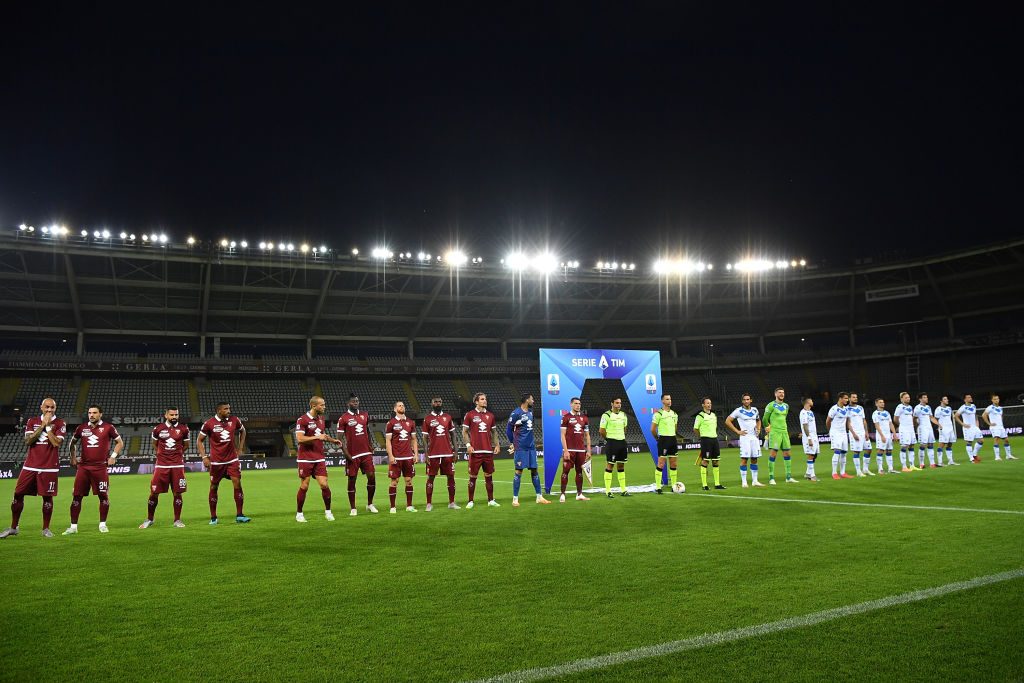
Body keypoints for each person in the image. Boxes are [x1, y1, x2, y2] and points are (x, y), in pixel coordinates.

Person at [1, 397, 67, 538]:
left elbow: (56, 443)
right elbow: (28, 441)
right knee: (18, 494)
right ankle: (14, 527)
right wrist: (43, 425)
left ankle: (45, 529)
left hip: (50, 467)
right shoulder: (32, 421)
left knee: (47, 498)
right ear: (41, 407)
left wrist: (48, 427)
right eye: (47, 407)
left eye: (52, 407)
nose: (49, 410)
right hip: (30, 466)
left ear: (55, 408)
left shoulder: (60, 423)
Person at [64, 404, 123, 535]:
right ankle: (73, 527)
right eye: (90, 413)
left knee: (103, 496)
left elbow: (120, 442)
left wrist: (113, 456)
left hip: (100, 468)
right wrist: (73, 457)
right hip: (83, 468)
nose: (91, 415)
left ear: (100, 414)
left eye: (95, 413)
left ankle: (102, 524)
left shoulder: (108, 427)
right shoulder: (81, 428)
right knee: (76, 497)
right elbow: (72, 443)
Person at [197, 402, 251, 524]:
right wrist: (204, 457)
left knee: (237, 483)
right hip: (216, 462)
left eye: (229, 408)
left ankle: (240, 515)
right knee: (214, 487)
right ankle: (213, 517)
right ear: (219, 410)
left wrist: (240, 448)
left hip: (232, 460)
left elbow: (243, 431)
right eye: (226, 409)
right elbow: (199, 440)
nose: (229, 410)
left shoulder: (234, 420)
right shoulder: (209, 423)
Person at [294, 396, 342, 523]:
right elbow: (300, 439)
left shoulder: (321, 419)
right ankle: (299, 514)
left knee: (324, 484)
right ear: (313, 406)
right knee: (304, 486)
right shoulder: (302, 420)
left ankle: (328, 512)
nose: (324, 407)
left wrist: (333, 440)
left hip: (319, 457)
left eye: (324, 404)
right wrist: (317, 438)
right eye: (322, 405)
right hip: (305, 458)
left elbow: (322, 436)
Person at [141, 407, 190, 528]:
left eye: (176, 415)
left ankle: (177, 520)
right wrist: (162, 454)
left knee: (177, 493)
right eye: (172, 415)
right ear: (166, 415)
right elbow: (155, 444)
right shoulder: (158, 429)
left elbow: (186, 445)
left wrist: (176, 455)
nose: (174, 417)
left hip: (177, 465)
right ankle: (149, 519)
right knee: (154, 493)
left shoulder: (184, 428)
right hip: (161, 465)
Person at [337, 394, 378, 516]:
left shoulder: (365, 415)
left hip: (366, 452)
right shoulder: (343, 418)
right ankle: (353, 508)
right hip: (352, 454)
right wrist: (346, 453)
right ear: (348, 403)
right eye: (353, 401)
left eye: (357, 401)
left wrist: (371, 445)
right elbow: (339, 439)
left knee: (371, 477)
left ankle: (370, 504)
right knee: (352, 480)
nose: (355, 402)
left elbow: (368, 431)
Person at [507, 394, 549, 507]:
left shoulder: (530, 412)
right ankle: (515, 499)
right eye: (532, 399)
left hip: (531, 447)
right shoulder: (516, 413)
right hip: (520, 447)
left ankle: (539, 497)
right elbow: (508, 429)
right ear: (526, 400)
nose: (533, 400)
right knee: (519, 471)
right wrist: (512, 443)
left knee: (534, 470)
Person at [462, 393, 502, 508]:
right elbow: (464, 431)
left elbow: (494, 432)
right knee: (473, 476)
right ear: (476, 401)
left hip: (488, 451)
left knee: (489, 476)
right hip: (475, 452)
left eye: (485, 399)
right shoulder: (470, 415)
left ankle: (491, 500)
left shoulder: (490, 416)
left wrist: (497, 445)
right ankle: (470, 501)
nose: (485, 401)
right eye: (482, 399)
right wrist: (468, 445)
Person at [422, 397, 460, 511]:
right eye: (435, 402)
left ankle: (452, 502)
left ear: (442, 403)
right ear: (432, 403)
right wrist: (426, 454)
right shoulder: (427, 419)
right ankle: (429, 504)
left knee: (451, 477)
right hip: (433, 454)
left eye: (439, 402)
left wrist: (456, 451)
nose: (438, 403)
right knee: (431, 477)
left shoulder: (447, 417)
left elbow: (453, 435)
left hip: (447, 453)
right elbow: (424, 438)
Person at [385, 401, 419, 513]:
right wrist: (390, 455)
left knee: (409, 481)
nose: (402, 407)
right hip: (396, 457)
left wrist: (416, 454)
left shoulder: (410, 422)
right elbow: (388, 441)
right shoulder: (391, 423)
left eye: (403, 405)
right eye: (399, 405)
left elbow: (414, 439)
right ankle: (392, 507)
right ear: (395, 409)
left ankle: (409, 506)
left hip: (408, 457)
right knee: (394, 482)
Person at [726, 393, 763, 488]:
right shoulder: (738, 411)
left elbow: (758, 420)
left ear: (751, 400)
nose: (746, 401)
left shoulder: (755, 410)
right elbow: (727, 421)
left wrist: (758, 429)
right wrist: (737, 431)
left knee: (754, 459)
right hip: (745, 438)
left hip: (754, 438)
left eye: (748, 399)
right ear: (742, 401)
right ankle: (744, 482)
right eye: (744, 400)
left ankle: (755, 481)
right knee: (744, 459)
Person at [559, 397, 591, 502]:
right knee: (565, 471)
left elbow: (587, 435)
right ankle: (562, 494)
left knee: (579, 472)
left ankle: (579, 494)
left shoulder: (584, 418)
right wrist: (566, 450)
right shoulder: (565, 417)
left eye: (579, 404)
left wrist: (589, 450)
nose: (578, 405)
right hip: (570, 450)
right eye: (576, 403)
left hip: (581, 450)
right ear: (571, 404)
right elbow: (562, 435)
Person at [763, 387, 798, 484]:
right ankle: (771, 478)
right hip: (775, 432)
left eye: (783, 392)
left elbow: (784, 418)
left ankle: (788, 477)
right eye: (779, 392)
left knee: (787, 453)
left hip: (784, 432)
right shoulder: (771, 405)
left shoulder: (786, 406)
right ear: (775, 394)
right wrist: (767, 427)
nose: (782, 394)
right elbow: (765, 419)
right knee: (773, 454)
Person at [600, 397, 630, 498]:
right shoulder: (606, 415)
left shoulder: (623, 415)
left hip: (622, 442)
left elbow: (625, 429)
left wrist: (620, 437)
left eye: (620, 403)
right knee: (610, 466)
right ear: (612, 403)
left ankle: (623, 490)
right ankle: (608, 491)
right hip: (612, 442)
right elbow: (602, 430)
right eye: (617, 403)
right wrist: (609, 439)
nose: (619, 405)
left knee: (621, 466)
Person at [651, 394, 679, 493]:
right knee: (661, 463)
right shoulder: (658, 414)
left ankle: (674, 486)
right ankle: (658, 487)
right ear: (662, 401)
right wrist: (658, 438)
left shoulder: (675, 414)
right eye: (667, 399)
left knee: (674, 463)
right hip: (663, 440)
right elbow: (653, 429)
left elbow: (675, 428)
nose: (669, 401)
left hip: (672, 440)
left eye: (670, 399)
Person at [694, 397, 724, 491]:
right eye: (707, 403)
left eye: (710, 403)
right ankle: (704, 485)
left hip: (714, 440)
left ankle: (717, 484)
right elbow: (695, 429)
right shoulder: (700, 416)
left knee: (716, 461)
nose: (709, 405)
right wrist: (701, 437)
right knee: (705, 461)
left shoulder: (714, 415)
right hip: (705, 440)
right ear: (703, 405)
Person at [826, 392, 853, 480]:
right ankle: (834, 473)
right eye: (845, 398)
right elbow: (828, 421)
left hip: (843, 433)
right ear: (840, 399)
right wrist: (830, 431)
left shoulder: (846, 409)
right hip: (835, 432)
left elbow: (847, 421)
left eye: (847, 398)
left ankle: (843, 472)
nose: (847, 400)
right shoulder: (834, 409)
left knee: (844, 452)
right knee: (837, 451)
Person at [984, 393, 1016, 460]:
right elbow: (984, 415)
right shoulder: (990, 407)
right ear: (992, 400)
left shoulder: (1000, 408)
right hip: (994, 427)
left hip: (1001, 427)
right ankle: (997, 456)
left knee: (1006, 440)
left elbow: (1001, 416)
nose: (996, 400)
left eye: (997, 399)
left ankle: (1008, 455)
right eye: (994, 399)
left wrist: (1001, 423)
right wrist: (989, 424)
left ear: (999, 399)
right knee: (996, 439)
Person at [847, 393, 872, 476]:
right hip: (855, 432)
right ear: (849, 399)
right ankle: (858, 471)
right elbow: (848, 422)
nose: (855, 398)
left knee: (869, 450)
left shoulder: (860, 408)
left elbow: (864, 420)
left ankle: (865, 469)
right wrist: (853, 433)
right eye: (853, 397)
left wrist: (867, 432)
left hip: (863, 432)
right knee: (857, 451)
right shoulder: (847, 409)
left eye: (856, 397)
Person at [893, 392, 919, 472]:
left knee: (912, 446)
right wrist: (901, 426)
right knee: (904, 447)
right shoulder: (899, 407)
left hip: (911, 429)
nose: (908, 398)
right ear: (902, 399)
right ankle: (904, 467)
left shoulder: (910, 407)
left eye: (909, 397)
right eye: (906, 397)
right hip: (904, 430)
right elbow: (895, 419)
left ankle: (912, 465)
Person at [954, 393, 984, 463]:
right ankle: (972, 459)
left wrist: (977, 423)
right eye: (968, 397)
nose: (970, 398)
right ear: (965, 399)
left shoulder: (973, 406)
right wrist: (963, 424)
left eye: (970, 397)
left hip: (975, 427)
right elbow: (955, 416)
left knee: (981, 441)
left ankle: (974, 454)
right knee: (969, 442)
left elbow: (975, 415)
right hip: (967, 427)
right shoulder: (963, 407)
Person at [872, 398, 898, 474]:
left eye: (883, 402)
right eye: (880, 402)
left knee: (889, 450)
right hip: (881, 435)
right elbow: (876, 425)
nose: (882, 403)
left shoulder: (887, 413)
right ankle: (880, 469)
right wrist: (882, 436)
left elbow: (890, 424)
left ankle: (891, 468)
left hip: (888, 435)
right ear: (876, 404)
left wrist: (894, 434)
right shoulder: (875, 413)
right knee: (881, 450)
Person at [913, 393, 938, 468]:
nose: (926, 398)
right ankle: (921, 463)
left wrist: (938, 424)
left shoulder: (928, 407)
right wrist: (917, 426)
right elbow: (914, 418)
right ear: (920, 399)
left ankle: (932, 463)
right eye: (924, 397)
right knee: (923, 445)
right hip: (922, 428)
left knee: (931, 444)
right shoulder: (917, 408)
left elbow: (931, 417)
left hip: (929, 428)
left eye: (926, 397)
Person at [934, 396, 959, 466]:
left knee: (950, 444)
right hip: (943, 429)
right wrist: (938, 426)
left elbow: (952, 416)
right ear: (941, 401)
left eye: (947, 399)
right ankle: (940, 462)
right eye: (945, 399)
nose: (947, 400)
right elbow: (935, 419)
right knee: (942, 444)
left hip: (950, 428)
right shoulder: (938, 409)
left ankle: (950, 461)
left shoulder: (949, 408)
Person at [799, 398, 819, 481]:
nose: (812, 402)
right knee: (810, 455)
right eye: (811, 400)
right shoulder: (803, 413)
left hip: (814, 436)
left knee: (815, 455)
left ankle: (808, 473)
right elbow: (805, 425)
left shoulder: (810, 412)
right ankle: (812, 475)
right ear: (807, 402)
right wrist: (808, 437)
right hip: (809, 437)